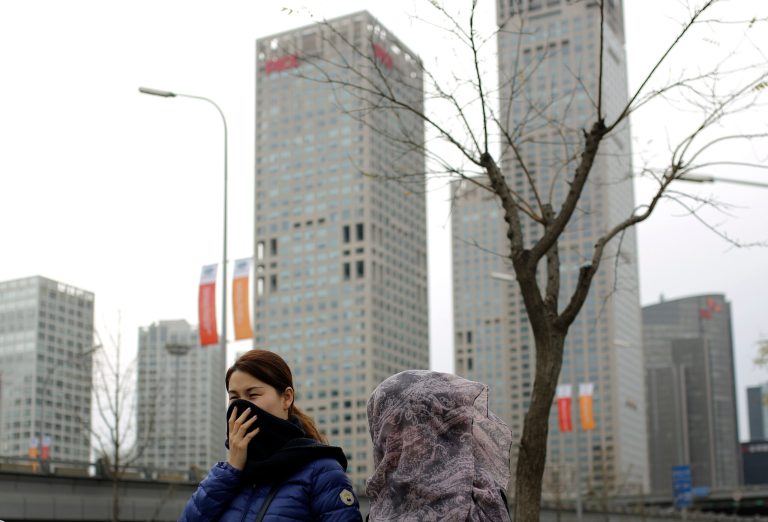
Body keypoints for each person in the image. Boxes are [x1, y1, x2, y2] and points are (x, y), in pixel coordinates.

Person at [180, 349, 363, 522]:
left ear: (286, 398)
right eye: (234, 398)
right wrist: (232, 469)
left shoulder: (322, 472)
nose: (243, 406)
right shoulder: (228, 476)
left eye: (253, 395)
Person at [365, 370, 513, 521]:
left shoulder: (481, 499)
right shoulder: (382, 496)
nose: (390, 438)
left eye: (401, 424)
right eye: (386, 429)